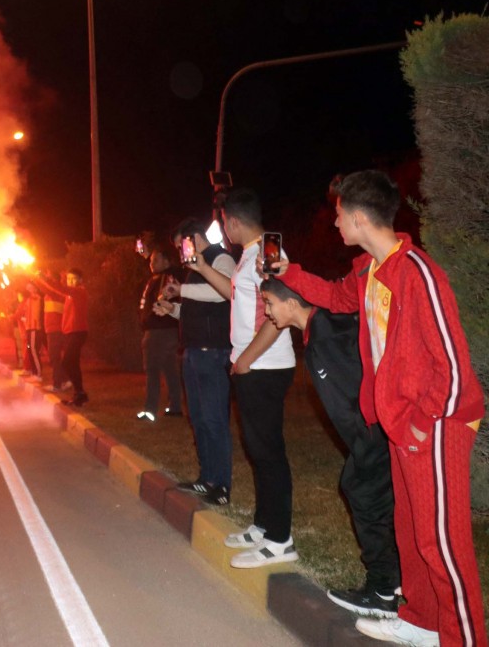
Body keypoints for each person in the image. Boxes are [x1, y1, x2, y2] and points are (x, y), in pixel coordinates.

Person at [274, 170, 484, 646]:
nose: (334, 224)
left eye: (338, 215)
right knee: (410, 532)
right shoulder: (370, 271)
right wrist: (288, 272)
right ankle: (422, 621)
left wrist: (420, 424)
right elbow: (335, 297)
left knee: (442, 544)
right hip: (402, 423)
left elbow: (453, 366)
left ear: (359, 218)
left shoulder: (418, 272)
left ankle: (463, 638)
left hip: (437, 424)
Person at [260, 278, 401, 619]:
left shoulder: (326, 339)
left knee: (363, 493)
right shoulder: (320, 331)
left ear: (291, 304)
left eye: (269, 303)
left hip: (373, 434)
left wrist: (366, 442)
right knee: (367, 494)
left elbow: (353, 393)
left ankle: (383, 591)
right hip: (372, 435)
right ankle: (395, 579)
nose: (267, 312)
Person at [202, 188, 298, 569]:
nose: (224, 229)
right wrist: (202, 269)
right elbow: (237, 297)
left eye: (225, 222)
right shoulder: (249, 256)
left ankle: (280, 539)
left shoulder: (269, 255)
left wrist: (246, 359)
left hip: (265, 366)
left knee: (269, 451)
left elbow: (280, 315)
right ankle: (264, 525)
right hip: (254, 365)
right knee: (258, 449)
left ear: (233, 222)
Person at [158, 218, 235, 506]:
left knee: (214, 419)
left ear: (195, 238)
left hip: (213, 352)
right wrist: (173, 309)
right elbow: (196, 309)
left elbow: (222, 293)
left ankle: (222, 485)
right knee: (199, 419)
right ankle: (207, 478)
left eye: (183, 245)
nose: (181, 252)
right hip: (193, 351)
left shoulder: (221, 258)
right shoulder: (195, 268)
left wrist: (182, 290)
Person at [136, 247, 181, 420]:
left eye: (156, 260)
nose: (151, 263)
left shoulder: (166, 278)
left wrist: (148, 319)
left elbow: (162, 299)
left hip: (159, 330)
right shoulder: (156, 279)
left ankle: (150, 409)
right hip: (163, 329)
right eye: (151, 260)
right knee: (170, 368)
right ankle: (175, 407)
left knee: (152, 368)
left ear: (166, 261)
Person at [38, 269, 90, 407]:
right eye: (68, 279)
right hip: (70, 333)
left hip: (78, 332)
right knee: (73, 363)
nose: (70, 281)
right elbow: (53, 290)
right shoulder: (69, 295)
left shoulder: (79, 292)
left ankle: (79, 392)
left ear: (80, 280)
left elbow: (59, 288)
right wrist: (38, 278)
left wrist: (45, 278)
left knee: (67, 362)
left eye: (73, 279)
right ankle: (80, 394)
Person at [39, 269, 67, 393]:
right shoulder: (54, 291)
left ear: (54, 279)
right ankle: (65, 380)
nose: (47, 277)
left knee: (54, 357)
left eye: (49, 276)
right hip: (54, 328)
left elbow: (44, 286)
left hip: (55, 329)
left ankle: (57, 385)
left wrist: (35, 276)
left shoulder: (55, 291)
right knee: (56, 357)